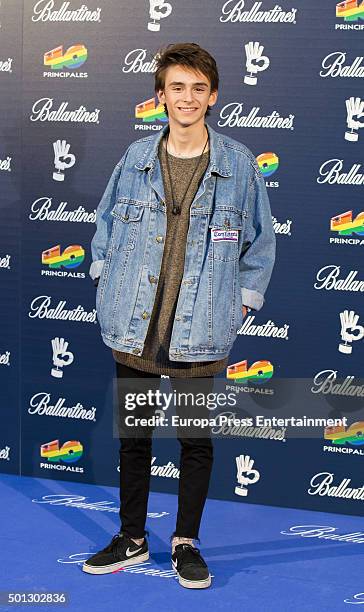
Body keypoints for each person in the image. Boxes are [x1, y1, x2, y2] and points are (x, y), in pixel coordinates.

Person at [82, 42, 276, 588]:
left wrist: (240, 301)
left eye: (197, 88)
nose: (186, 98)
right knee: (135, 435)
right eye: (176, 87)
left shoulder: (238, 165)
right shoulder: (136, 158)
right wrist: (103, 276)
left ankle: (185, 542)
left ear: (212, 96)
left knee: (194, 439)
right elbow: (104, 226)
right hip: (133, 323)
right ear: (159, 96)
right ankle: (132, 536)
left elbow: (260, 245)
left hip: (201, 326)